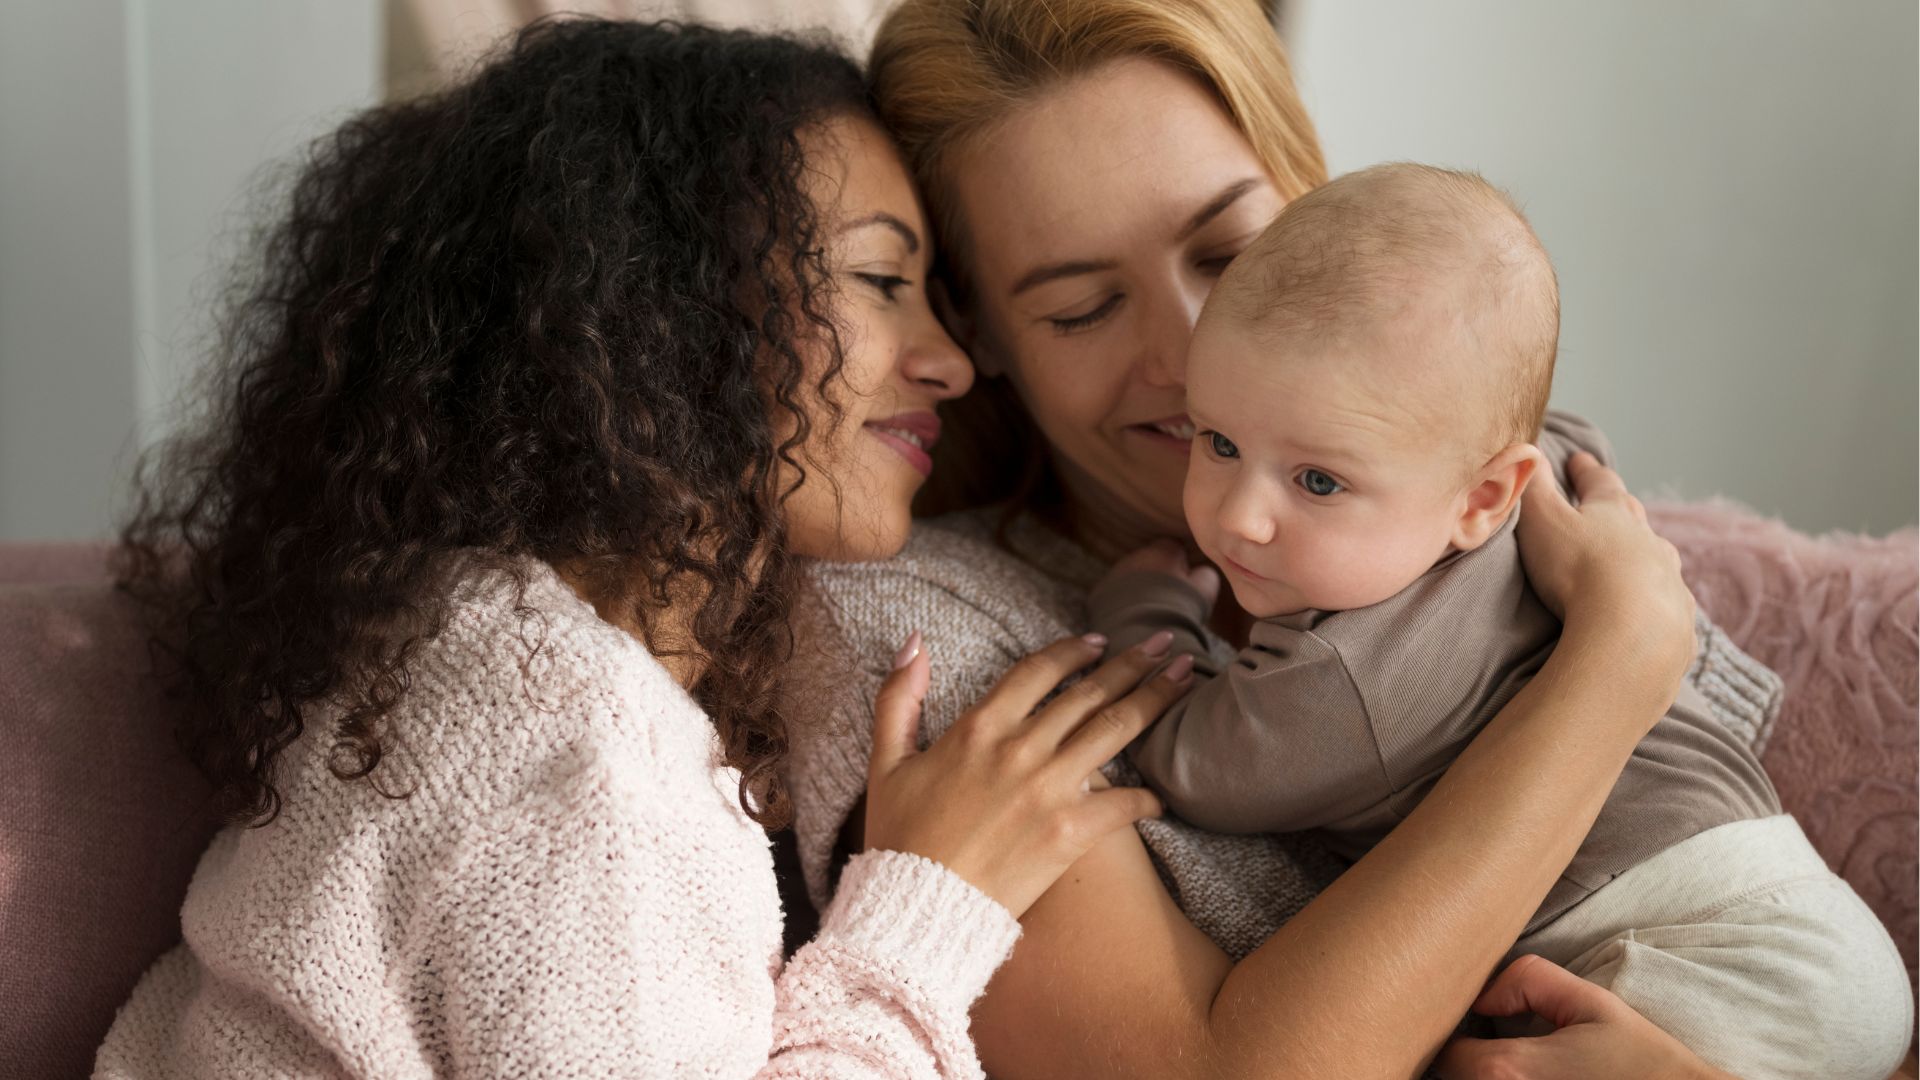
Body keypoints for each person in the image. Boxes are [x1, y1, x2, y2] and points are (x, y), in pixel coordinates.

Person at [95, 19, 1198, 1078]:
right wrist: (927, 901)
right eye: (878, 281)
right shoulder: (575, 744)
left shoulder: (477, 646)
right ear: (665, 302)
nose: (952, 364)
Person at [783, 2, 1798, 1076]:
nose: (1189, 352)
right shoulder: (919, 639)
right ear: (976, 328)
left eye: (1228, 251)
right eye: (1082, 307)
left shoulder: (1491, 505)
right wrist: (1613, 668)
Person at [1084, 162, 1913, 1079]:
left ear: (1483, 496)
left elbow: (1193, 762)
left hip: (1698, 953)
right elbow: (1565, 435)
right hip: (1804, 924)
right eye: (1221, 441)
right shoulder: (1539, 478)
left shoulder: (1342, 674)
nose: (1237, 515)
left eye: (1318, 480)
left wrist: (1147, 602)